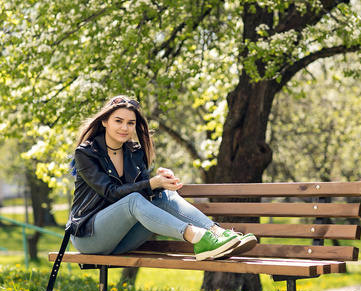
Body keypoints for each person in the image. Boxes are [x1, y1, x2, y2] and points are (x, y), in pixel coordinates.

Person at [65, 95, 257, 261]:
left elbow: (145, 190)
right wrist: (151, 183)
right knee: (133, 200)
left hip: (121, 240)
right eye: (118, 121)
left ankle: (217, 233)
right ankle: (199, 237)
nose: (125, 128)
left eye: (130, 123)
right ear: (104, 122)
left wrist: (160, 181)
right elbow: (112, 193)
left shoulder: (134, 152)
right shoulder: (87, 153)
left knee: (162, 195)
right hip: (89, 236)